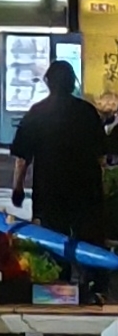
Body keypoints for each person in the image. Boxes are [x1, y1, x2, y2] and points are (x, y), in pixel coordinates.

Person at [9, 61, 111, 257]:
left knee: (52, 246)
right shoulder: (88, 112)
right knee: (88, 248)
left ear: (48, 82)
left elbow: (22, 158)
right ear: (72, 83)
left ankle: (58, 274)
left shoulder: (37, 112)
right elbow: (101, 157)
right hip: (86, 191)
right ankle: (88, 276)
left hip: (49, 191)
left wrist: (18, 188)